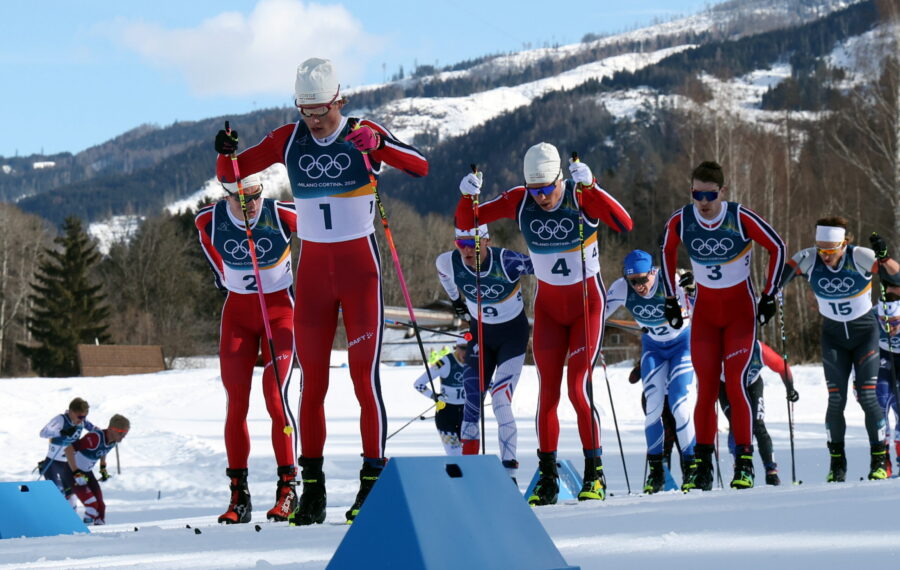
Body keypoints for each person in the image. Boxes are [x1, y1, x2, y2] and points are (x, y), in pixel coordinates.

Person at [215, 58, 428, 525]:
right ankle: (312, 488)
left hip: (359, 273)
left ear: (339, 100)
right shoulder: (288, 138)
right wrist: (225, 152)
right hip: (312, 276)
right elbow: (232, 174)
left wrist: (380, 147)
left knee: (363, 381)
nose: (313, 120)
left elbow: (420, 165)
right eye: (305, 110)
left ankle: (372, 480)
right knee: (312, 385)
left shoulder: (361, 130)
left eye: (321, 110)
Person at [455, 143, 632, 504]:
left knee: (578, 388)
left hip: (586, 307)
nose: (541, 197)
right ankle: (548, 478)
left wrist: (593, 188)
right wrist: (466, 195)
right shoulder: (521, 200)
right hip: (549, 311)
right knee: (547, 393)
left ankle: (594, 474)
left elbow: (624, 223)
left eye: (547, 189)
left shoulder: (579, 197)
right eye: (534, 190)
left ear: (560, 179)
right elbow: (467, 222)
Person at [660, 160, 785, 490]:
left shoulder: (739, 217)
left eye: (710, 195)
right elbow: (666, 250)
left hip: (739, 316)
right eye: (697, 194)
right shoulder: (682, 220)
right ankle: (702, 466)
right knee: (705, 389)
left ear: (722, 192)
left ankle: (744, 463)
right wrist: (670, 298)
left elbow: (778, 246)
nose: (703, 202)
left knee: (736, 384)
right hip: (705, 317)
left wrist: (769, 295)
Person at [195, 172, 299, 524]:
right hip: (238, 317)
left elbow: (321, 238)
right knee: (236, 405)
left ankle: (288, 490)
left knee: (275, 399)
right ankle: (239, 496)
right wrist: (221, 276)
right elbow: (207, 243)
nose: (251, 203)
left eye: (255, 195)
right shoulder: (209, 219)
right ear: (226, 197)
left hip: (280, 315)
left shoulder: (281, 213)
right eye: (242, 198)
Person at [781, 220, 900, 481]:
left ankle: (879, 461)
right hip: (833, 338)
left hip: (864, 335)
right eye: (820, 249)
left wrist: (884, 257)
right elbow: (779, 278)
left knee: (868, 397)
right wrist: (769, 295)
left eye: (830, 250)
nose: (825, 256)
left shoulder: (859, 256)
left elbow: (896, 277)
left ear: (843, 244)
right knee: (836, 400)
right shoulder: (809, 258)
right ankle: (837, 465)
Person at [435, 226, 533, 479]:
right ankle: (468, 470)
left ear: (487, 241)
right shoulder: (448, 261)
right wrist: (456, 301)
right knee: (472, 400)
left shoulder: (507, 261)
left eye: (474, 244)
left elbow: (544, 268)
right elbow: (443, 274)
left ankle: (509, 471)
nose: (467, 250)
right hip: (481, 335)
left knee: (500, 399)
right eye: (462, 243)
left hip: (512, 336)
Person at [605, 250, 697, 493]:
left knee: (679, 405)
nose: (638, 286)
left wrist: (694, 290)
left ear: (653, 273)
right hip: (653, 349)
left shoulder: (670, 281)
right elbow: (595, 314)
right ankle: (656, 472)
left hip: (682, 345)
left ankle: (692, 468)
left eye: (643, 279)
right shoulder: (621, 288)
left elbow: (700, 308)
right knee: (653, 408)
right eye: (632, 281)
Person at [718, 340, 799, 486]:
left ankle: (771, 471)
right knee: (736, 423)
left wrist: (790, 389)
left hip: (752, 385)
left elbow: (782, 366)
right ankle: (741, 468)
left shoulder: (760, 351)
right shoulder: (726, 347)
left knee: (757, 424)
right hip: (726, 387)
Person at [64, 414, 130, 525]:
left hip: (86, 473)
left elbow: (104, 451)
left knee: (100, 507)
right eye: (121, 433)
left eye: (125, 434)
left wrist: (103, 468)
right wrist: (76, 472)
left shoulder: (113, 441)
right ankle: (83, 532)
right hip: (72, 472)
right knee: (92, 506)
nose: (123, 437)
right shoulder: (95, 438)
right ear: (111, 429)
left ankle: (99, 531)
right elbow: (68, 450)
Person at [413, 337, 470, 455]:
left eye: (469, 349)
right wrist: (434, 396)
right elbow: (418, 384)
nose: (466, 352)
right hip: (446, 413)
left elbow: (489, 383)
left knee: (468, 455)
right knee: (455, 454)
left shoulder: (475, 361)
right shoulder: (444, 362)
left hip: (467, 413)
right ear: (456, 347)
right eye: (463, 348)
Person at [39, 397, 95, 503]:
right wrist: (61, 433)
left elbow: (96, 431)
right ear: (71, 412)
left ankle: (71, 514)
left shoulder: (83, 421)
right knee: (58, 495)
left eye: (84, 417)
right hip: (53, 464)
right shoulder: (60, 419)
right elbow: (43, 433)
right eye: (80, 416)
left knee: (72, 496)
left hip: (69, 465)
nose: (82, 419)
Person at [875, 285, 900, 476]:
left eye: (894, 321)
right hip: (882, 358)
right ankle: (884, 463)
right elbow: (858, 350)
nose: (889, 327)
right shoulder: (871, 316)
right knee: (880, 405)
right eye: (884, 321)